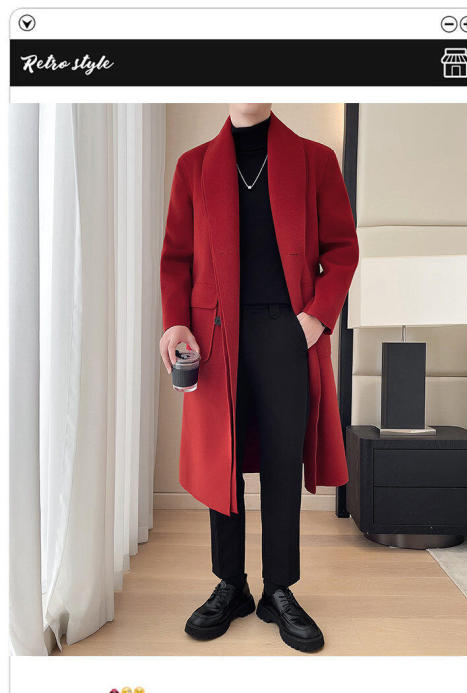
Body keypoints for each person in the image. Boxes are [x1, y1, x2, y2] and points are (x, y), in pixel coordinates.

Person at [160, 104, 359, 652]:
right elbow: (176, 257)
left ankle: (278, 590)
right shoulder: (193, 165)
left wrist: (315, 319)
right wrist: (176, 321)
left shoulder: (316, 160)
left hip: (287, 331)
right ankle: (231, 585)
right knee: (222, 459)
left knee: (281, 460)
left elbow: (343, 249)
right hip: (215, 333)